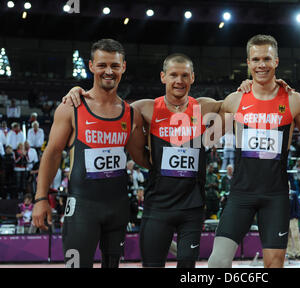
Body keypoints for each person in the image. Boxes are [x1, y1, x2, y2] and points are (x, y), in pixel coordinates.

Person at [62, 53, 224, 268]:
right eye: (173, 75)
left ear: (193, 78)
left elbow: (235, 103)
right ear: (163, 77)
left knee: (187, 266)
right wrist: (79, 92)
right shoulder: (145, 108)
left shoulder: (205, 107)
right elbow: (110, 106)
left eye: (185, 75)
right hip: (157, 205)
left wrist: (251, 84)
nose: (179, 80)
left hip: (192, 207)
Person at [32, 39, 148, 268]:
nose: (108, 71)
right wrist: (40, 198)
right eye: (102, 64)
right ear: (91, 66)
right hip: (82, 209)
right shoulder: (71, 107)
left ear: (123, 67)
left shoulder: (130, 113)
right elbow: (52, 154)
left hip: (118, 208)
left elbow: (141, 157)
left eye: (114, 66)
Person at [208, 35, 300, 268]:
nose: (261, 64)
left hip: (275, 196)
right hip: (240, 194)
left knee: (274, 264)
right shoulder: (235, 99)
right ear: (248, 62)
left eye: (267, 58)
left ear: (276, 61)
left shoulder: (294, 100)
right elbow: (208, 136)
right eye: (256, 59)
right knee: (217, 262)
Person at [287, 182, 300, 260]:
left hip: (293, 218)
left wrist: (297, 216)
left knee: (296, 236)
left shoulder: (293, 194)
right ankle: (290, 254)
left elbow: (297, 205)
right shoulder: (281, 194)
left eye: (288, 185)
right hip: (284, 219)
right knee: (288, 237)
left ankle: (299, 253)